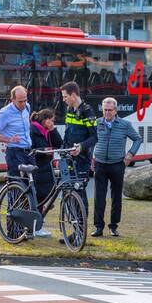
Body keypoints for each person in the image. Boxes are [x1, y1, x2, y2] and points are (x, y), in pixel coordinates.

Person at [91, 97, 142, 237]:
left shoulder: (125, 124)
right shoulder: (97, 123)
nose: (107, 112)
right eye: (105, 110)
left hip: (117, 164)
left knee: (116, 197)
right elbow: (90, 140)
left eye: (110, 110)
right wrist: (91, 157)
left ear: (115, 110)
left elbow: (138, 139)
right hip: (100, 164)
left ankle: (113, 226)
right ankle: (98, 227)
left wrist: (130, 154)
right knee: (99, 197)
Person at [60, 81, 97, 215]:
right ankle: (72, 223)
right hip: (67, 157)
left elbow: (95, 137)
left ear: (73, 95)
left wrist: (81, 147)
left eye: (65, 96)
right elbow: (67, 133)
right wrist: (62, 151)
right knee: (66, 189)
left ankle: (81, 225)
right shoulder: (69, 110)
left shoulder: (87, 111)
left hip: (82, 159)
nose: (63, 100)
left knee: (78, 191)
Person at [0, 85, 31, 178]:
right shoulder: (5, 113)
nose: (23, 104)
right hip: (14, 153)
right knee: (17, 183)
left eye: (25, 100)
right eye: (20, 101)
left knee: (33, 182)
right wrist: (9, 139)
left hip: (28, 152)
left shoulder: (27, 107)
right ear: (12, 100)